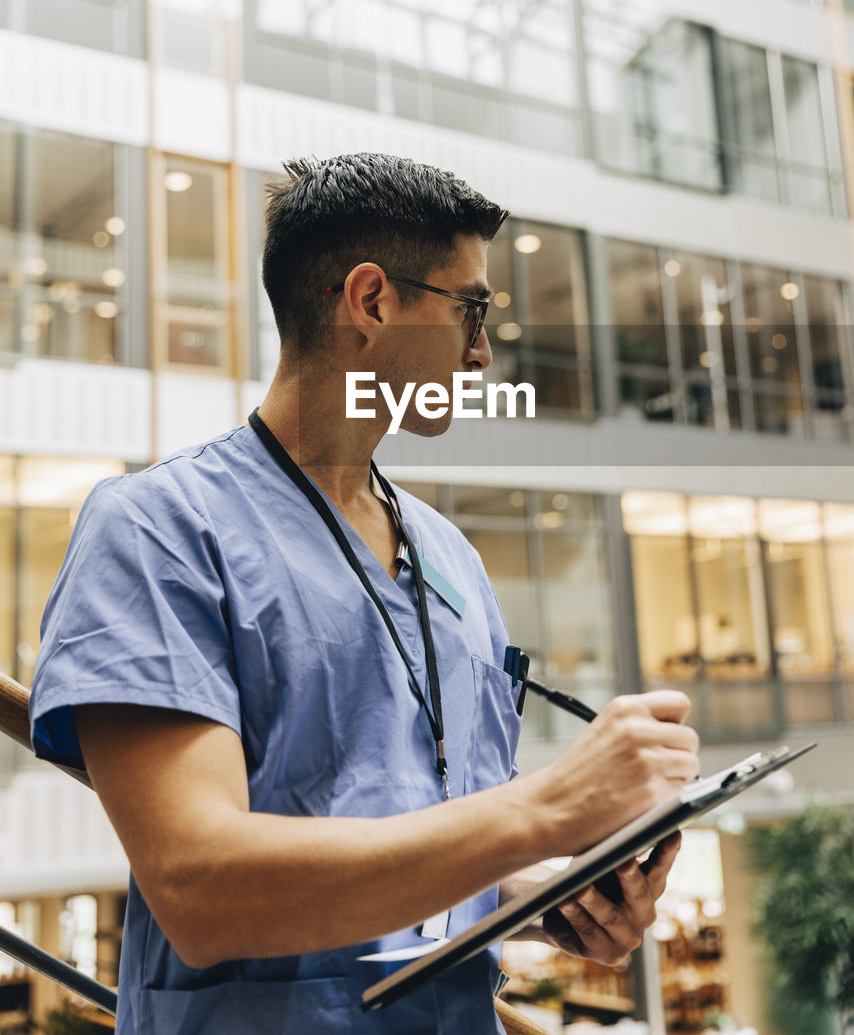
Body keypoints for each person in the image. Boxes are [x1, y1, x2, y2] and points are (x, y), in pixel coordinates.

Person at [30, 154, 700, 1035]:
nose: (483, 350)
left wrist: (542, 898)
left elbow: (413, 826)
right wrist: (544, 810)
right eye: (471, 308)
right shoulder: (158, 529)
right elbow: (202, 888)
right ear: (373, 300)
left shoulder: (450, 557)